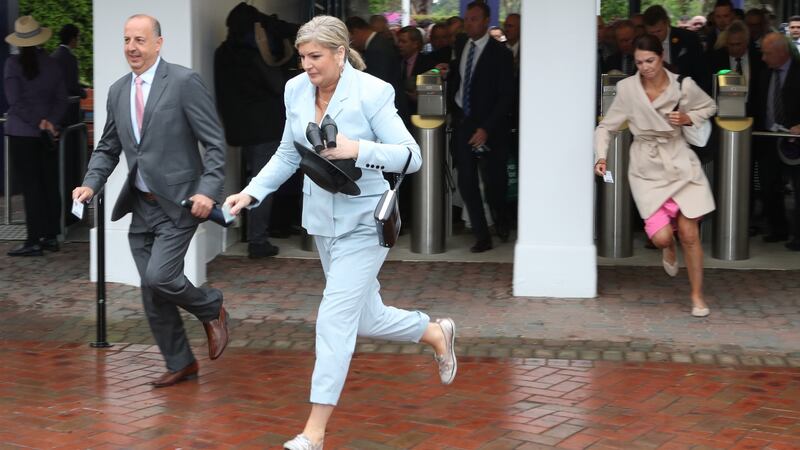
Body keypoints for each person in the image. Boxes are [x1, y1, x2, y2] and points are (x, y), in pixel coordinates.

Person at [223, 15, 457, 450]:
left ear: (339, 52)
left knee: (333, 320)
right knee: (364, 316)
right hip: (323, 225)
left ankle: (314, 432)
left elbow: (412, 157)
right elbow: (286, 153)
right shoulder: (295, 90)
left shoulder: (372, 92)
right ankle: (433, 332)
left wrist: (357, 150)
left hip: (365, 224)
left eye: (316, 56)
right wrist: (251, 193)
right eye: (302, 57)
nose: (307, 65)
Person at [72, 14, 230, 387]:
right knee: (152, 288)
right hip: (140, 205)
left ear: (158, 43)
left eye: (140, 40)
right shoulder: (116, 91)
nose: (132, 47)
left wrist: (208, 190)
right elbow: (108, 147)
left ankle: (212, 307)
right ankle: (181, 362)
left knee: (161, 276)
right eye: (127, 40)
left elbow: (214, 142)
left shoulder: (183, 82)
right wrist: (90, 185)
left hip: (180, 201)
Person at [594, 34, 717, 317]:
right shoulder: (626, 89)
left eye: (650, 60)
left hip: (680, 160)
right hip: (646, 167)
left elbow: (709, 106)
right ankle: (667, 247)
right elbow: (606, 127)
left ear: (661, 57)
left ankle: (697, 295)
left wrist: (688, 118)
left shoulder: (683, 85)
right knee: (661, 237)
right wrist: (601, 156)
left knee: (690, 232)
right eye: (639, 62)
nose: (645, 67)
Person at [215, 2, 289, 258]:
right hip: (265, 127)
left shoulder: (222, 52)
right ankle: (258, 240)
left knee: (250, 181)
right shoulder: (255, 53)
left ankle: (250, 231)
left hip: (239, 128)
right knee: (262, 183)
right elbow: (277, 86)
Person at [448, 1, 514, 252]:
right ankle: (481, 234)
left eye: (475, 19)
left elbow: (506, 96)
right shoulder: (462, 44)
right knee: (466, 181)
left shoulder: (501, 54)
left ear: (486, 21)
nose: (469, 23)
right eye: (467, 18)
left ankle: (501, 216)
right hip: (464, 123)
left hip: (491, 128)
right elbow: (461, 80)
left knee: (494, 181)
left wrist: (486, 127)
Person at [4, 16, 67, 257]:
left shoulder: (12, 64)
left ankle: (33, 240)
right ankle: (51, 236)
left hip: (22, 133)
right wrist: (49, 122)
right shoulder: (52, 65)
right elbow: (61, 99)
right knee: (50, 183)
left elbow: (15, 102)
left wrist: (36, 122)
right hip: (48, 135)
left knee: (30, 187)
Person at [752, 33, 800, 251]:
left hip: (795, 140)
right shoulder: (764, 74)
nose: (763, 58)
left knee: (798, 188)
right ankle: (777, 228)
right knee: (769, 184)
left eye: (767, 53)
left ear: (782, 53)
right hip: (769, 138)